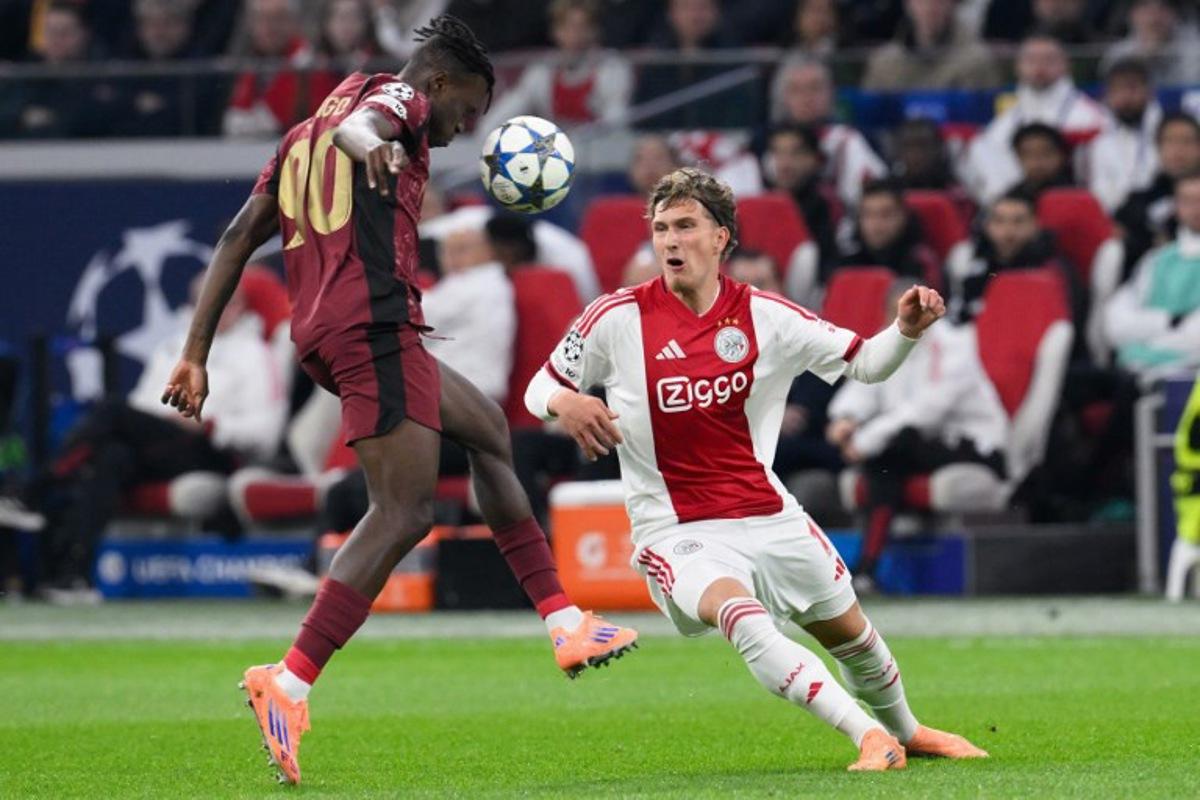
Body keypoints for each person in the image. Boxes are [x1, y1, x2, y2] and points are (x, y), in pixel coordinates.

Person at [161, 16, 637, 785]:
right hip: (370, 323)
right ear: (441, 83)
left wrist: (194, 351)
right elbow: (369, 126)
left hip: (341, 329)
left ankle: (565, 622)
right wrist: (373, 141)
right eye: (470, 110)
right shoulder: (397, 102)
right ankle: (287, 682)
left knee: (487, 430)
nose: (465, 129)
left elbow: (238, 236)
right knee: (405, 511)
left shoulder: (301, 132)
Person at [524, 167, 987, 770]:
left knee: (852, 636)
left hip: (769, 513)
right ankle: (866, 736)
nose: (670, 241)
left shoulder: (767, 315)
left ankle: (910, 730)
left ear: (721, 238)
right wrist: (568, 400)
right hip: (676, 527)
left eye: (686, 226)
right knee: (739, 615)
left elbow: (867, 364)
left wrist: (904, 331)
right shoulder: (614, 317)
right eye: (661, 228)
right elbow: (541, 386)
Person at [39, 279, 286, 601]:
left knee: (112, 411)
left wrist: (211, 425)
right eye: (210, 300)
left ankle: (40, 485)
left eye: (230, 301)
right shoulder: (172, 348)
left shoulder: (255, 354)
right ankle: (75, 576)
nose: (219, 309)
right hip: (158, 446)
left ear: (242, 308)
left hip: (211, 449)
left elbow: (266, 433)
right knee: (112, 455)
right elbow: (143, 405)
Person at [826, 281, 1008, 591]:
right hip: (918, 445)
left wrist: (865, 441)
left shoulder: (955, 345)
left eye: (915, 310)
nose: (908, 318)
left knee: (892, 449)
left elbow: (926, 410)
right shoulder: (891, 344)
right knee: (889, 455)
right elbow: (865, 384)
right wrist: (846, 419)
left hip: (975, 445)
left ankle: (867, 569)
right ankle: (866, 572)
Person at [965, 34, 1109, 203]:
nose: (1039, 67)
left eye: (1049, 60)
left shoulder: (1092, 116)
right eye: (1031, 60)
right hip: (1015, 207)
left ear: (1066, 65)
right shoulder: (1003, 123)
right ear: (1018, 67)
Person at [1103, 172, 1200, 382]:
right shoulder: (1157, 259)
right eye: (1188, 201)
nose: (1196, 209)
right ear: (1176, 207)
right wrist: (1170, 321)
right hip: (1137, 365)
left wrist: (1147, 340)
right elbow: (1116, 322)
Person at [477, 0, 632, 131]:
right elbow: (506, 111)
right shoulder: (542, 71)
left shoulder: (612, 68)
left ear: (594, 31)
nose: (574, 34)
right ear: (556, 31)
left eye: (582, 27)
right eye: (567, 27)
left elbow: (615, 122)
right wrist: (487, 135)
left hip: (598, 155)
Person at [946, 190, 1081, 325]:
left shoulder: (1054, 271)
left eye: (1018, 221)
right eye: (999, 221)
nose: (1008, 231)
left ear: (1035, 225)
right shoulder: (971, 264)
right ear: (987, 226)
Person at [770, 57, 887, 209]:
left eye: (815, 88)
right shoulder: (763, 140)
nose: (807, 98)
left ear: (832, 93)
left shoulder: (858, 138)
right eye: (797, 90)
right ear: (783, 97)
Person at [423, 227, 515, 404]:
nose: (452, 257)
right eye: (445, 251)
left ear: (487, 251)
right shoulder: (461, 282)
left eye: (462, 249)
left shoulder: (481, 283)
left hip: (470, 389)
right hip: (454, 386)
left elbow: (418, 317)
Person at [633, 0, 751, 129]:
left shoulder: (734, 62)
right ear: (671, 13)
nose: (695, 16)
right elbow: (642, 120)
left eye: (703, 8)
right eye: (686, 8)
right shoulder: (656, 63)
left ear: (717, 12)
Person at [1115, 113, 1200, 269]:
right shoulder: (1138, 201)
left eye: (1187, 142)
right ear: (1158, 147)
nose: (1178, 150)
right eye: (1170, 141)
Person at [861, 0, 1003, 91]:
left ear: (952, 4)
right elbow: (871, 116)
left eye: (939, 1)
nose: (930, 8)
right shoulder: (883, 63)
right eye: (922, 1)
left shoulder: (977, 60)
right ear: (907, 4)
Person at [760, 124, 839, 281]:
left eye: (795, 153)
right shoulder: (759, 204)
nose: (785, 164)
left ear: (814, 159)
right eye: (778, 153)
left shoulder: (827, 206)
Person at [1089, 58, 1163, 213]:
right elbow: (1099, 190)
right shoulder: (1098, 140)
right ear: (1107, 95)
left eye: (1132, 88)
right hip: (1116, 219)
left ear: (1149, 91)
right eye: (1117, 90)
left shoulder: (1167, 130)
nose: (1126, 97)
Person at [839, 178, 941, 288]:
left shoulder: (920, 264)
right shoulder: (847, 263)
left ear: (903, 217)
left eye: (885, 215)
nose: (876, 224)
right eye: (868, 215)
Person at [1101, 0, 1200, 88]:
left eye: (1163, 8)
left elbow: (1192, 90)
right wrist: (1141, 60)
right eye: (1146, 8)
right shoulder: (1118, 54)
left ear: (1174, 14)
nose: (1154, 18)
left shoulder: (1193, 50)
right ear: (1133, 14)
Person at [1008, 122, 1075, 201]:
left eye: (1045, 153)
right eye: (1029, 154)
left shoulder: (1075, 195)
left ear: (1062, 156)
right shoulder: (1012, 200)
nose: (1037, 161)